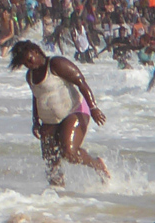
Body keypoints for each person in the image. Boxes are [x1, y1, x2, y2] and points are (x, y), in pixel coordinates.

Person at [10, 40, 111, 186]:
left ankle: (97, 164)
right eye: (25, 64)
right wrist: (35, 121)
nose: (29, 65)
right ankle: (58, 198)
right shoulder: (30, 76)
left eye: (30, 60)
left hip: (74, 111)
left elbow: (81, 82)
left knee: (69, 153)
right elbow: (36, 97)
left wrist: (93, 108)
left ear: (36, 52)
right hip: (49, 121)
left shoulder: (56, 64)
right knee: (50, 162)